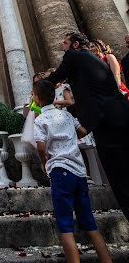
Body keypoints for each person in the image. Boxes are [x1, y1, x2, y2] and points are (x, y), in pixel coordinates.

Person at [48, 32, 129, 222]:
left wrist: (40, 89)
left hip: (107, 125)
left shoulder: (74, 56)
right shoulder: (92, 60)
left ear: (75, 45)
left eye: (65, 42)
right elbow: (89, 94)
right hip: (119, 117)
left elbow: (58, 75)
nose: (62, 46)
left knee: (120, 179)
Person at [33, 79, 112, 263]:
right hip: (78, 171)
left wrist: (44, 161)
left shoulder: (41, 119)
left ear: (36, 99)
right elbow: (83, 131)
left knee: (65, 226)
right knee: (90, 223)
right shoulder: (67, 116)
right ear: (54, 96)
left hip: (60, 171)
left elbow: (41, 147)